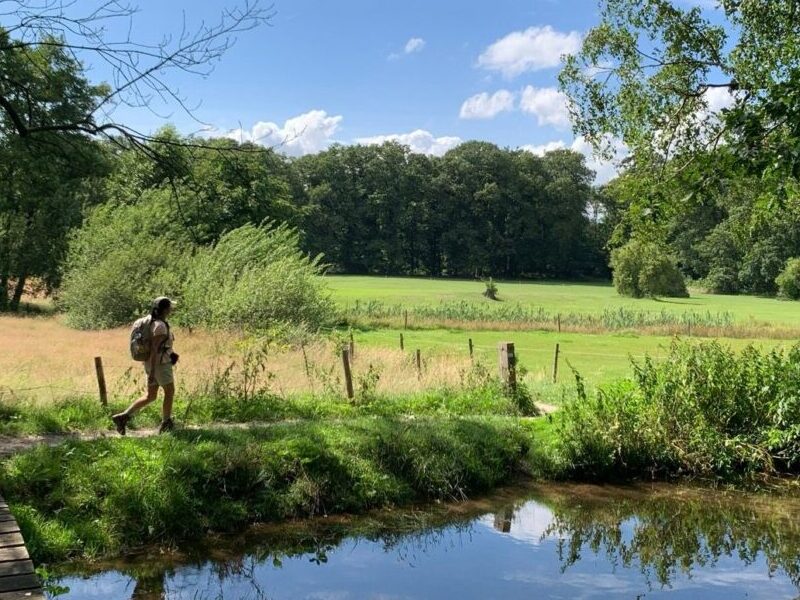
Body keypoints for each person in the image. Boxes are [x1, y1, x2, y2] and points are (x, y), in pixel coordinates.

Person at [112, 296, 179, 435]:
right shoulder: (159, 326)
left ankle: (123, 417)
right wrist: (153, 371)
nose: (171, 309)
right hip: (159, 364)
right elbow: (155, 349)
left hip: (151, 363)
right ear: (165, 309)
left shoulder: (152, 322)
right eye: (169, 307)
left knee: (151, 396)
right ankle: (166, 423)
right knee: (169, 391)